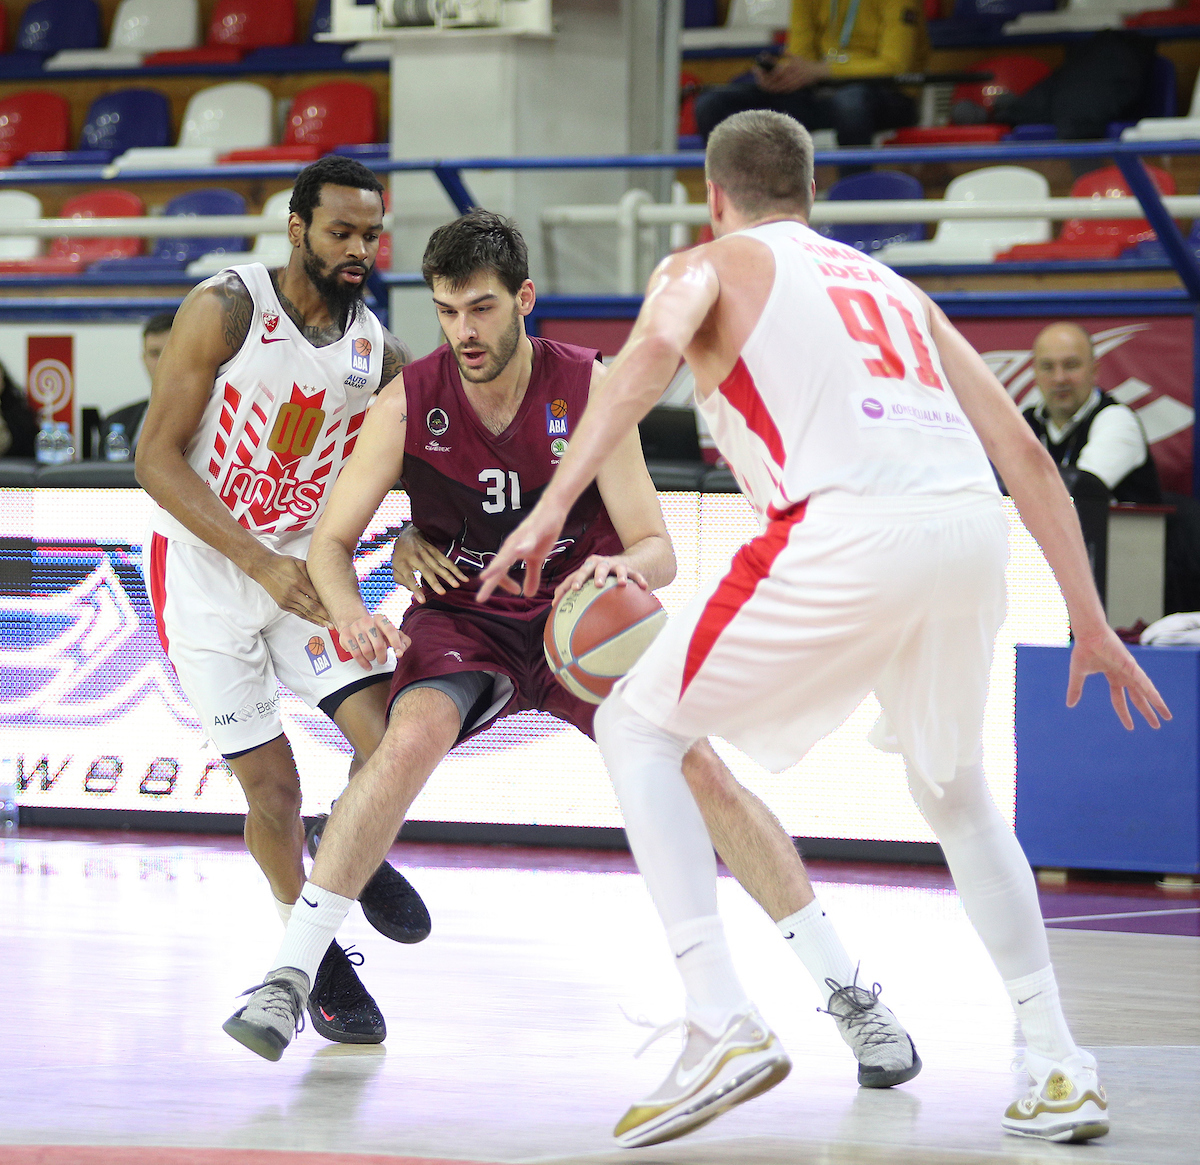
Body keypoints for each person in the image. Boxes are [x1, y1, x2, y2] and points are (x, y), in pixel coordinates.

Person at [475, 111, 1170, 1148]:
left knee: (634, 723)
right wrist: (1089, 617)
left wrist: (550, 505)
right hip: (969, 531)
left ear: (714, 195)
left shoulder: (706, 263)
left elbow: (648, 355)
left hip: (845, 525)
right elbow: (1024, 454)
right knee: (957, 795)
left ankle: (720, 1017)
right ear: (812, 193)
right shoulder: (893, 286)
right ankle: (1058, 1063)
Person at [222, 208, 921, 1085]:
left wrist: (616, 571)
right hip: (468, 616)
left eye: (480, 308)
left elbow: (657, 548)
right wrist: (351, 612)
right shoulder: (409, 401)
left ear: (524, 299)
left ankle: (851, 995)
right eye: (446, 311)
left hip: (580, 616)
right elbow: (330, 543)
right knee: (405, 741)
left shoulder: (591, 386)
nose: (463, 331)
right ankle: (287, 979)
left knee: (702, 771)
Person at [136, 156, 430, 1047]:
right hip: (206, 573)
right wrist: (259, 562)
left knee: (393, 739)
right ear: (296, 228)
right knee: (272, 790)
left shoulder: (377, 352)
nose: (358, 249)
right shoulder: (226, 308)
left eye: (371, 234)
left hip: (302, 566)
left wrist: (411, 529)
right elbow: (154, 457)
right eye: (341, 231)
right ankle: (316, 955)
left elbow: (414, 462)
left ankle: (349, 838)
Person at [694, 0, 921, 147]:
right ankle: (739, 195)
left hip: (886, 95)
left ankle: (853, 196)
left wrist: (824, 70)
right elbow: (800, 55)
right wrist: (782, 74)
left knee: (850, 104)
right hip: (820, 93)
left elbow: (895, 65)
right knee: (713, 103)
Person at [1022, 321, 1161, 504]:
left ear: (1094, 371)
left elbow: (1079, 490)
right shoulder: (1023, 422)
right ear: (1035, 374)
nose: (1059, 378)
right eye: (1047, 367)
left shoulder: (1118, 421)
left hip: (1114, 525)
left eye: (1071, 365)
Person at [105, 311, 176, 453]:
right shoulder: (115, 422)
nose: (162, 362)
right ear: (144, 359)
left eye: (169, 352)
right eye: (154, 353)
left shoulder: (210, 420)